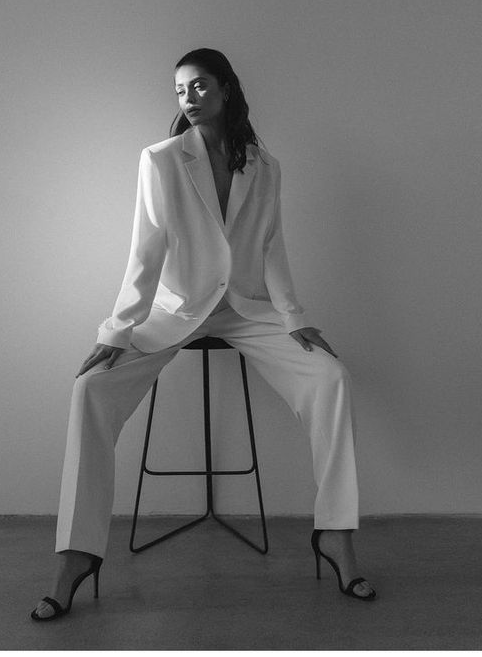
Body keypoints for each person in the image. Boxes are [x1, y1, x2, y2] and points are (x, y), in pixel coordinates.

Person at [31, 47, 376, 620]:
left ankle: (336, 535)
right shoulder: (162, 160)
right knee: (89, 390)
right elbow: (147, 249)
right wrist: (118, 328)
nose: (188, 98)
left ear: (226, 88)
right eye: (179, 90)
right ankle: (76, 553)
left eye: (198, 86)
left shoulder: (264, 166)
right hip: (176, 310)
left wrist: (294, 317)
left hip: (244, 308)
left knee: (331, 379)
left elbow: (271, 248)